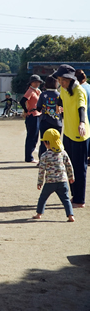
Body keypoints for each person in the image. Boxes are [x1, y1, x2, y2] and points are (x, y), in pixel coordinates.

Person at [54, 64, 90, 208]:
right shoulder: (63, 89)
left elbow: (82, 107)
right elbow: (61, 98)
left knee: (79, 167)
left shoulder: (79, 91)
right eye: (59, 80)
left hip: (80, 134)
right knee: (69, 166)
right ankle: (73, 194)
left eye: (63, 80)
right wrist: (58, 104)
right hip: (67, 132)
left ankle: (80, 200)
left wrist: (81, 122)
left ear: (70, 79)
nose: (61, 83)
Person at [34, 128, 75, 222]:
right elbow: (69, 165)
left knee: (43, 198)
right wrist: (71, 177)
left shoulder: (45, 156)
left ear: (46, 143)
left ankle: (39, 214)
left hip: (50, 182)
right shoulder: (63, 153)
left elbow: (41, 170)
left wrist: (40, 182)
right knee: (66, 199)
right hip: (63, 181)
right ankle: (70, 215)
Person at [36, 76, 62, 158]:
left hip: (45, 121)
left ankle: (42, 160)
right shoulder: (60, 95)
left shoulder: (43, 94)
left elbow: (38, 108)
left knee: (44, 142)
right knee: (56, 141)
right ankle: (57, 159)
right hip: (57, 122)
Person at [20, 74, 43, 163]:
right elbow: (22, 101)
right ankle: (29, 157)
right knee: (31, 136)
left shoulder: (38, 91)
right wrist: (26, 110)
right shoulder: (30, 91)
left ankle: (30, 155)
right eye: (35, 82)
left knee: (35, 136)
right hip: (32, 115)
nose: (37, 83)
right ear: (31, 82)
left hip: (38, 115)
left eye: (38, 82)